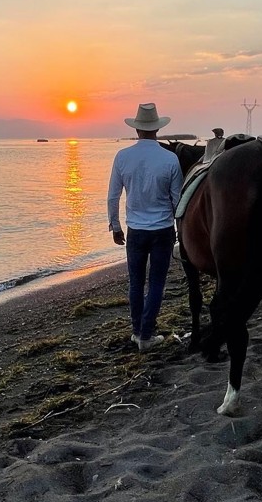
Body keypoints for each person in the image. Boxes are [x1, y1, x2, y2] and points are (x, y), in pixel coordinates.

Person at [107, 103, 183, 352]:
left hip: (136, 231)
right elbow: (177, 200)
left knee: (136, 282)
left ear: (138, 129)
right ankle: (147, 335)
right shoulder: (170, 158)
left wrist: (115, 225)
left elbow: (113, 196)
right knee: (157, 283)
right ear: (157, 129)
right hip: (162, 230)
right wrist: (178, 229)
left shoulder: (122, 157)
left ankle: (138, 331)